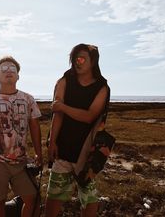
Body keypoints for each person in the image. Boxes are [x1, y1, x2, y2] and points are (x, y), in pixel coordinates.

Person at [45, 44, 110, 217]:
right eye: (74, 59)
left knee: (89, 199)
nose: (76, 62)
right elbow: (56, 115)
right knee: (53, 197)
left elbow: (90, 116)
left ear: (93, 61)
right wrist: (52, 142)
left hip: (86, 151)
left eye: (81, 58)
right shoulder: (64, 81)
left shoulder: (102, 87)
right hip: (63, 148)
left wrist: (63, 107)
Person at [0, 56, 43, 217]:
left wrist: (39, 153)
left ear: (18, 76)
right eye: (3, 69)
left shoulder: (28, 99)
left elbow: (35, 127)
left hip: (21, 161)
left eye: (13, 69)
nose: (8, 72)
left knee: (33, 199)